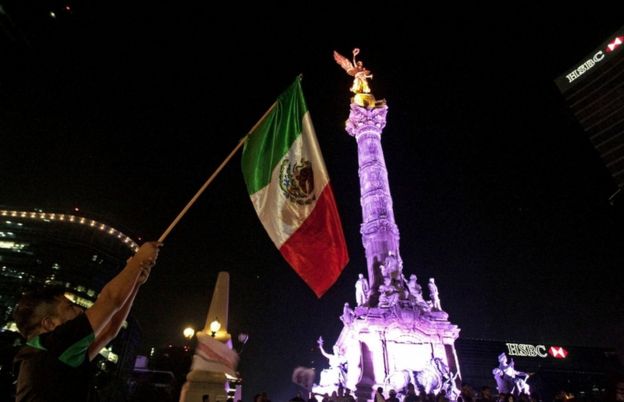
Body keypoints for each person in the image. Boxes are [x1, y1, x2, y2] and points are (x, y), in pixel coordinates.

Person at [12, 241, 161, 402]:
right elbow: (110, 299)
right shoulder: (53, 346)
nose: (80, 310)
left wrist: (136, 281)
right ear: (49, 324)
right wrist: (138, 260)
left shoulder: (57, 355)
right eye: (69, 307)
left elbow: (110, 329)